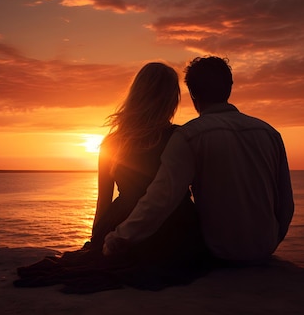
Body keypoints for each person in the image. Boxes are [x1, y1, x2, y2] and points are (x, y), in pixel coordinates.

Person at [14, 62, 208, 292]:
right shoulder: (179, 136)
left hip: (121, 219)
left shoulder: (112, 142)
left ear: (137, 95)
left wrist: (98, 239)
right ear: (171, 98)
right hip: (173, 225)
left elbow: (103, 199)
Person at [104, 56, 294, 264]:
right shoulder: (269, 133)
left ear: (192, 94)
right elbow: (285, 203)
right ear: (230, 87)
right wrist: (272, 241)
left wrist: (118, 238)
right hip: (264, 248)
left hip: (217, 251)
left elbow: (162, 198)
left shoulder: (190, 136)